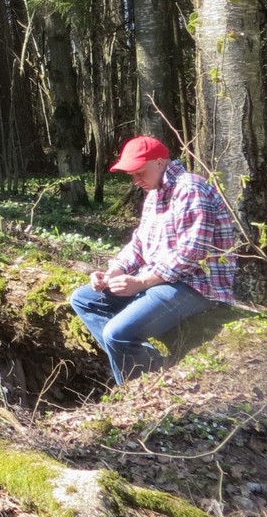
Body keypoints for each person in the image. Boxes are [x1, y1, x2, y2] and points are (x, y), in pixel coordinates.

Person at [69, 136, 238, 385]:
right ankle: (150, 362)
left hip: (197, 285)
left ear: (160, 163)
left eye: (140, 172)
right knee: (84, 299)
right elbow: (138, 244)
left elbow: (192, 254)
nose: (136, 181)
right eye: (132, 175)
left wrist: (140, 282)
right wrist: (113, 272)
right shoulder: (154, 194)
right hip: (162, 282)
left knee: (117, 334)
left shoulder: (190, 189)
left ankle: (141, 389)